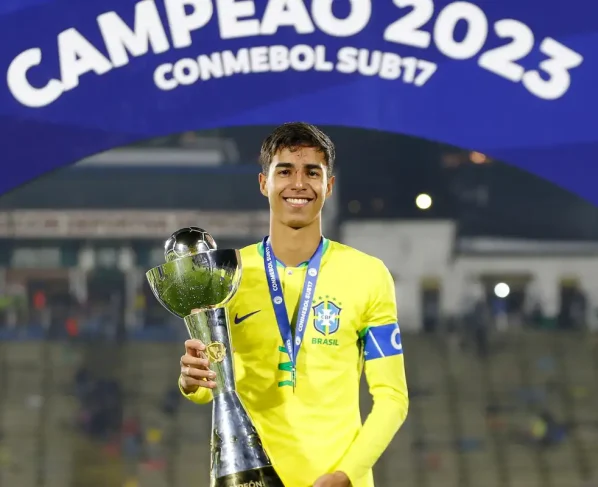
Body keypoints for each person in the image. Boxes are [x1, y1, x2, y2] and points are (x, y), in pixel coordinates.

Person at [179, 122, 409, 487]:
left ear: (329, 186)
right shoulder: (227, 275)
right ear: (264, 183)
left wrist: (345, 475)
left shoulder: (368, 274)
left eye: (312, 172)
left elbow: (392, 398)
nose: (298, 184)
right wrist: (192, 381)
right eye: (285, 171)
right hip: (249, 478)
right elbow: (211, 390)